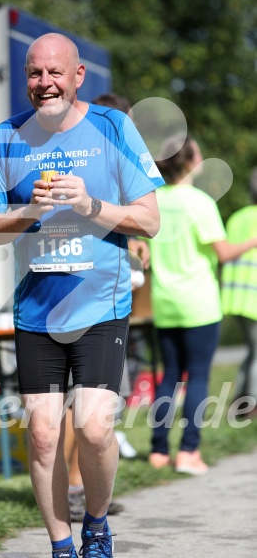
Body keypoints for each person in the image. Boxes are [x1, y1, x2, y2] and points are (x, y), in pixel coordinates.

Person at [0, 33, 163, 558]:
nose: (44, 83)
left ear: (79, 77)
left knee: (96, 427)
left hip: (102, 305)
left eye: (55, 72)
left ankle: (97, 525)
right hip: (37, 310)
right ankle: (61, 545)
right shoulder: (7, 136)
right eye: (35, 73)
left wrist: (91, 204)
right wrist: (28, 213)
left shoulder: (113, 127)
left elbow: (149, 221)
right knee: (41, 435)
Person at [147, 134, 257, 475]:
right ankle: (189, 452)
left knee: (168, 377)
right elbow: (224, 253)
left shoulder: (151, 200)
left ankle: (158, 452)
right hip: (198, 304)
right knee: (197, 377)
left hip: (164, 302)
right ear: (191, 161)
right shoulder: (199, 203)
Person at [64, 93, 149, 523]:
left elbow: (129, 217)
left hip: (102, 294)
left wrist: (131, 242)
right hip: (76, 294)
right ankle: (73, 488)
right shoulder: (85, 158)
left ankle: (79, 488)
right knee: (74, 406)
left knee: (88, 407)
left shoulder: (111, 159)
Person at [221, 168, 257, 419]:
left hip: (236, 297)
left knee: (253, 350)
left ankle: (239, 400)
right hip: (253, 298)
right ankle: (251, 404)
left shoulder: (237, 217)